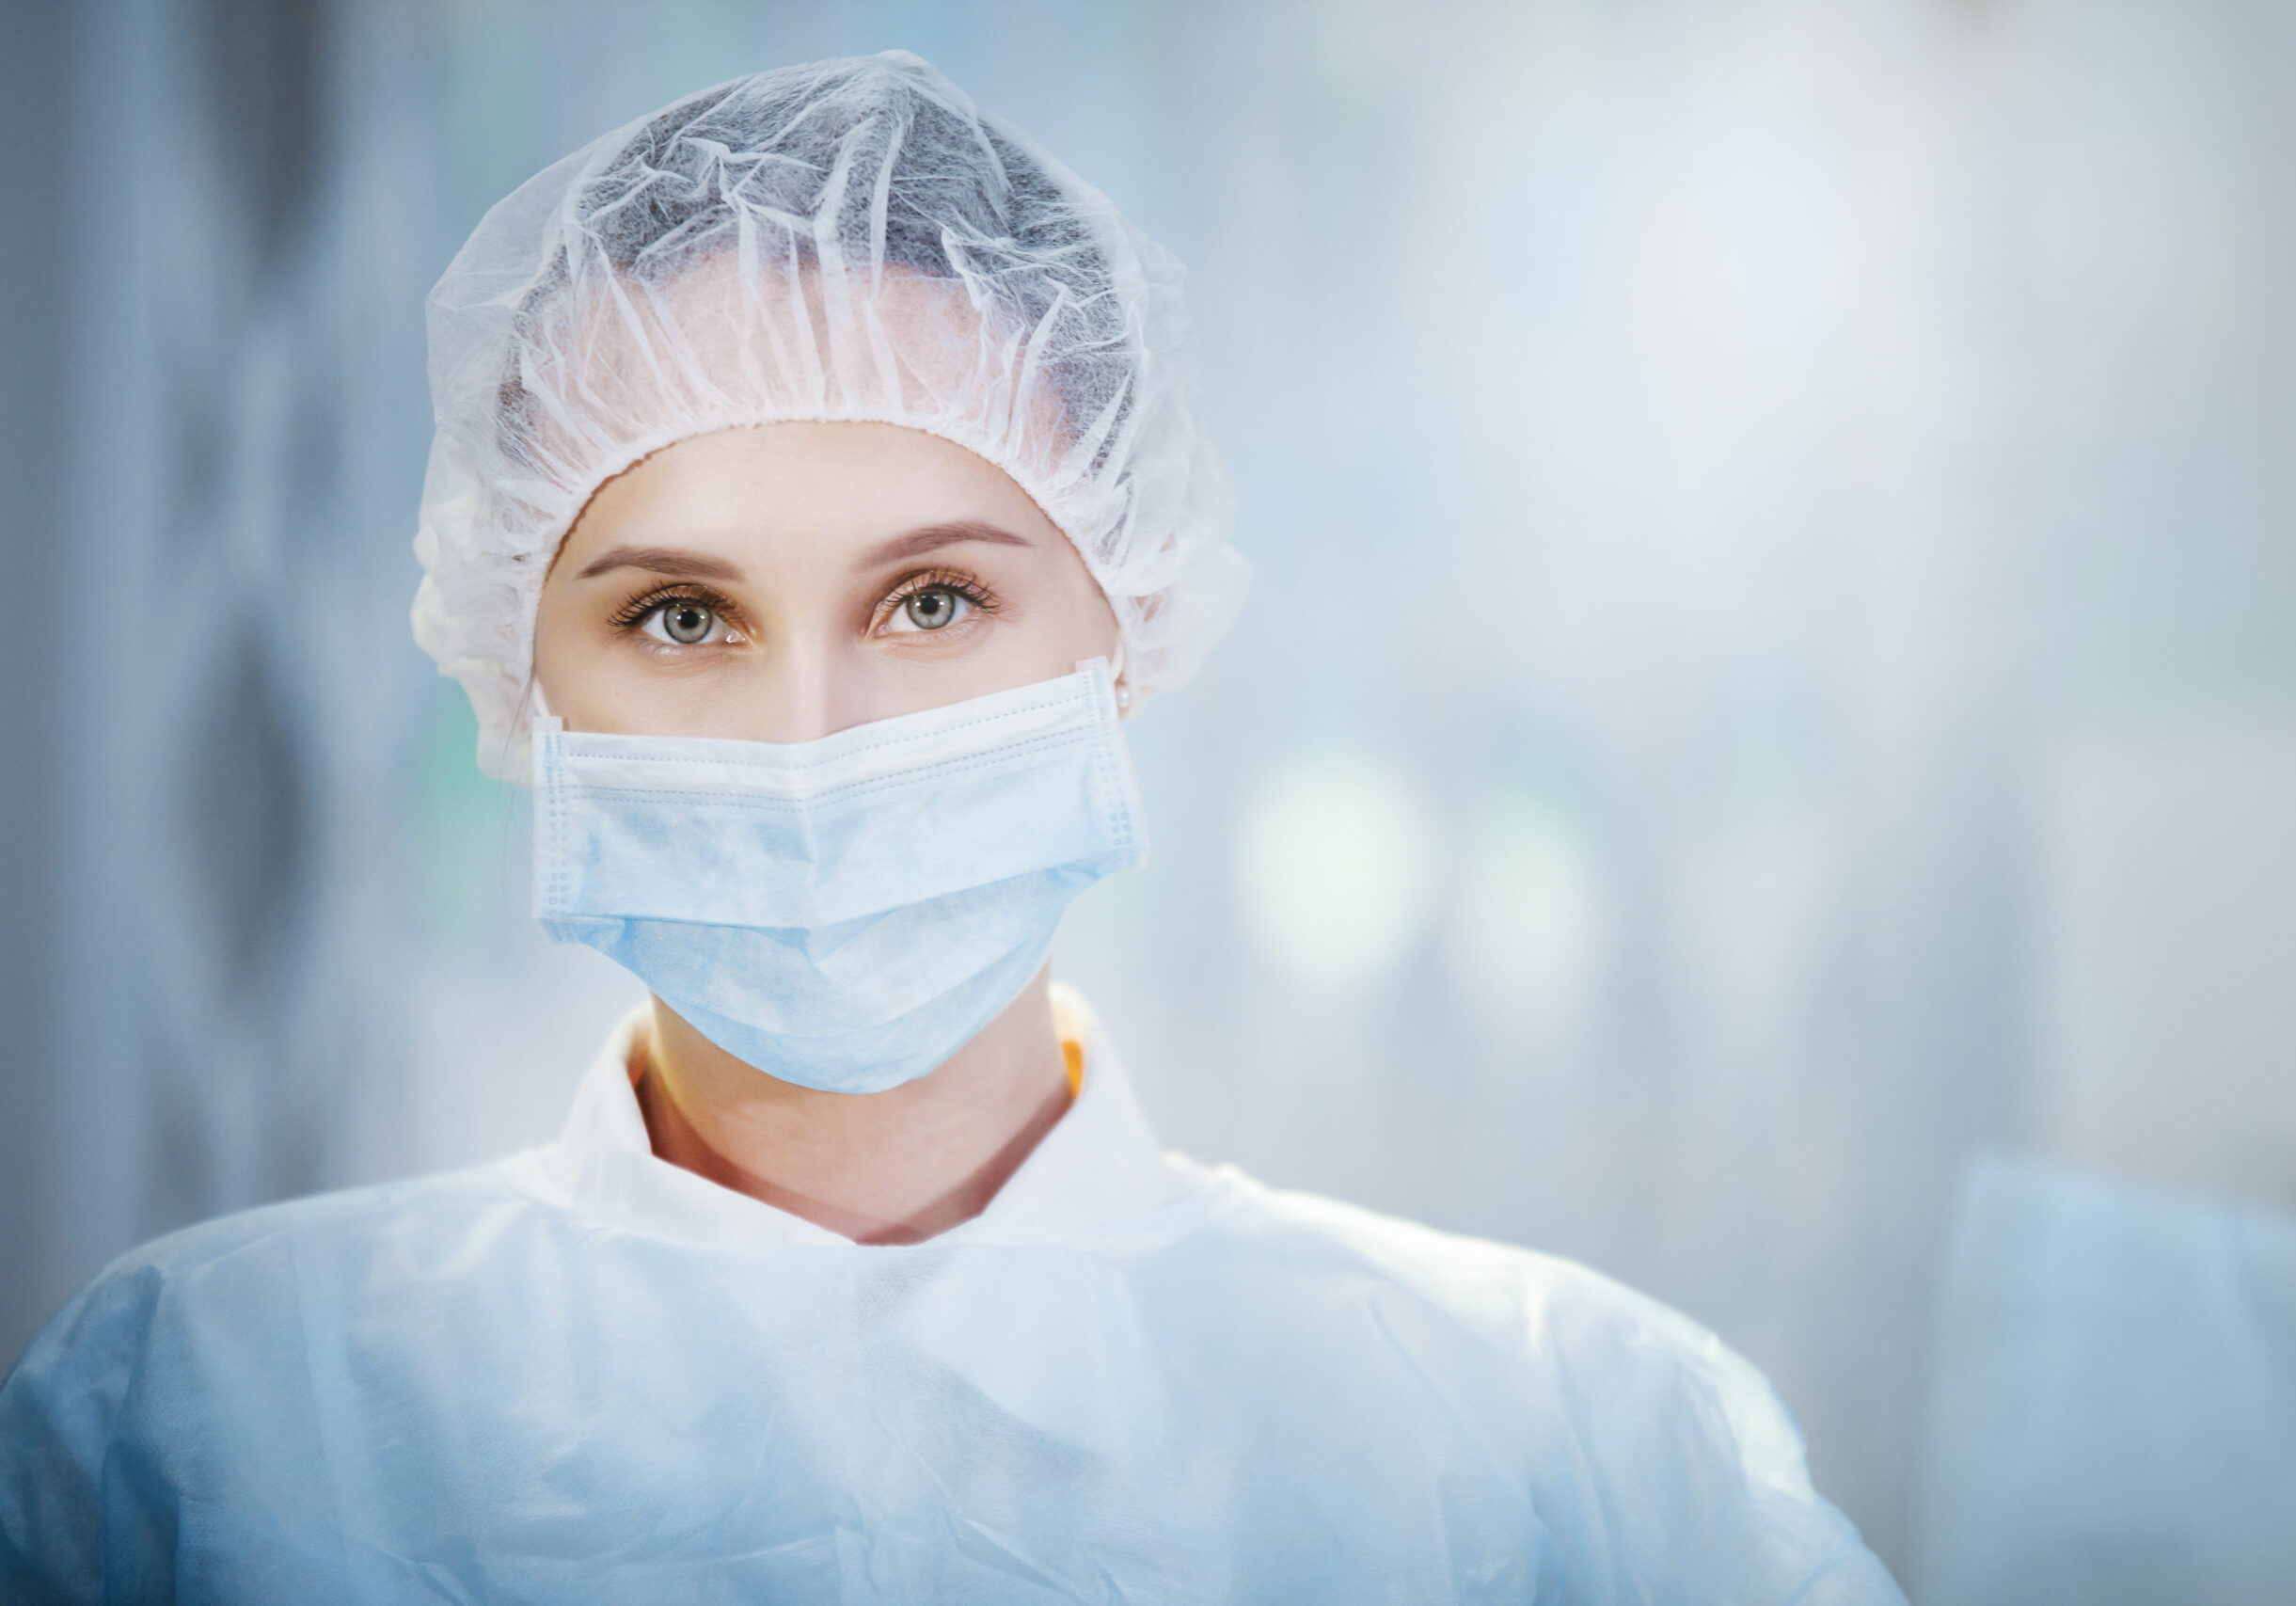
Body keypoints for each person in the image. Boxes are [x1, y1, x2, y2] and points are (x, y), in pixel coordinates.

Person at [0, 52, 1905, 1604]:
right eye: (682, 616)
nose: (811, 738)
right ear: (521, 669)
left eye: (932, 603)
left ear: (1131, 631)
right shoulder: (204, 1421)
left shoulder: (1552, 1442)